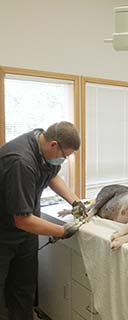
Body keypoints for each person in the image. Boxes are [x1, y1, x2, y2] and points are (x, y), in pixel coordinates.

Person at [0, 121, 85, 320]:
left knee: (24, 285)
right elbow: (22, 220)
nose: (63, 161)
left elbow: (52, 176)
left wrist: (74, 200)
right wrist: (62, 231)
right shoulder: (21, 161)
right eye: (65, 157)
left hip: (25, 232)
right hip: (4, 232)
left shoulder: (42, 146)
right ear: (54, 145)